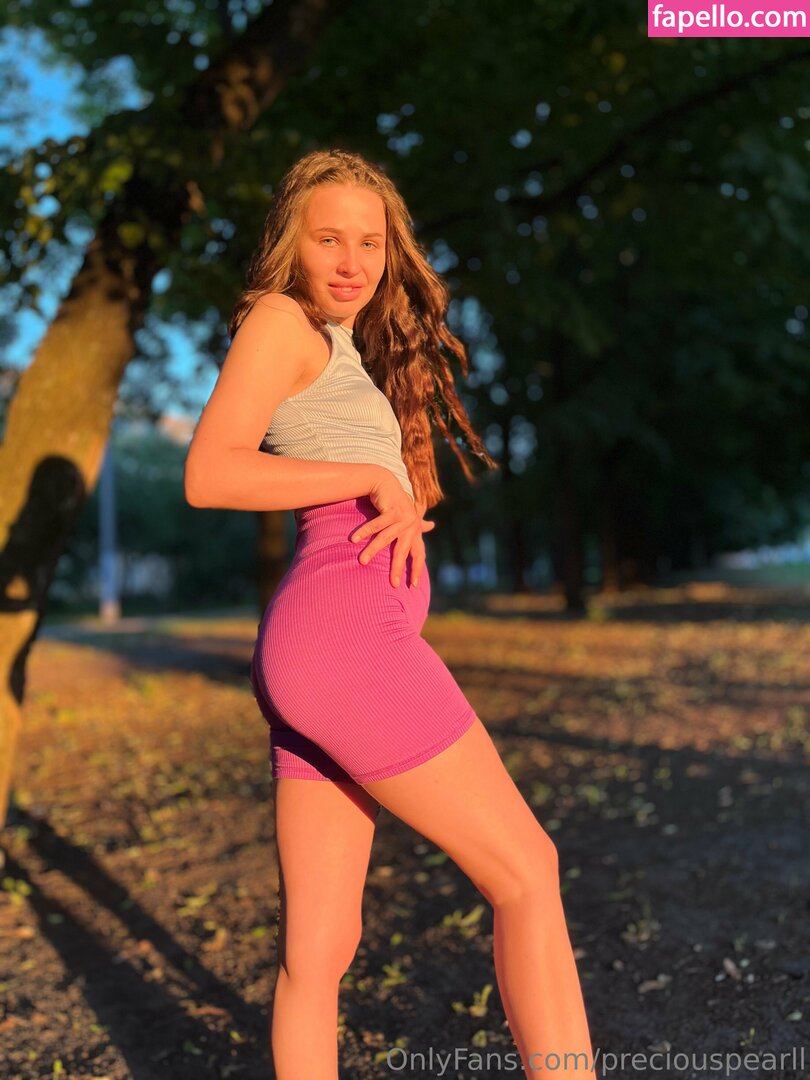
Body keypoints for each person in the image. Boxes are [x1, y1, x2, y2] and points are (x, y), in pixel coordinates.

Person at [184, 149, 597, 1079]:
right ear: (290, 242)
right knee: (527, 872)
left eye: (368, 243)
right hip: (343, 640)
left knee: (318, 951)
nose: (351, 261)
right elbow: (208, 473)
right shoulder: (280, 321)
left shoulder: (335, 347)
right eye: (328, 238)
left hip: (322, 647)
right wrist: (369, 478)